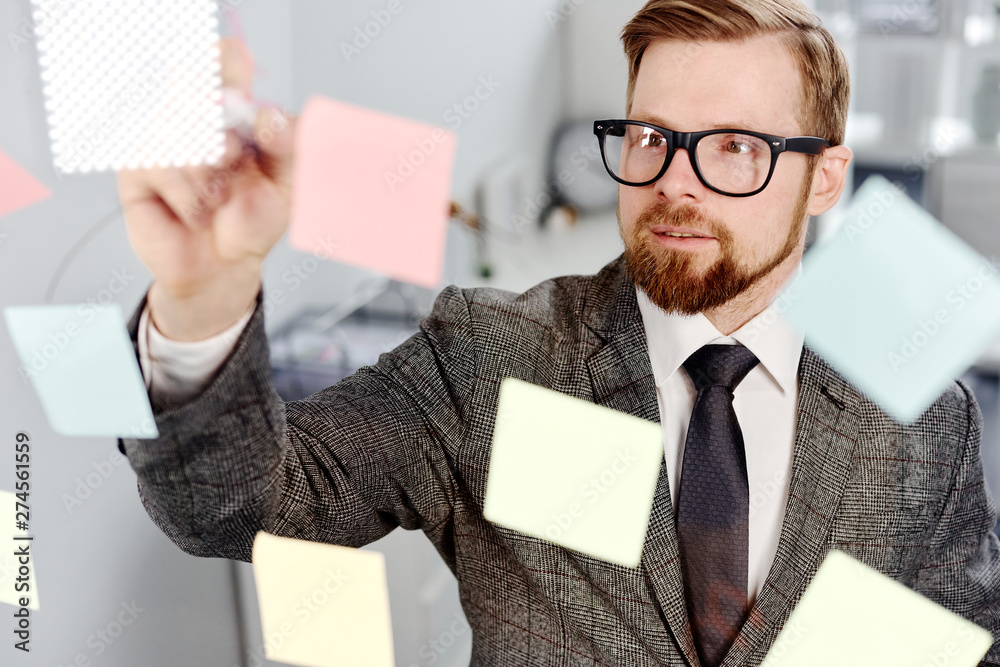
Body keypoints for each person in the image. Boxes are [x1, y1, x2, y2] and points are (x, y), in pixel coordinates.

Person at [116, 1, 1000, 665]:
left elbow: (964, 642)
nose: (675, 183)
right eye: (652, 135)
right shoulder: (489, 354)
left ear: (825, 177)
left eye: (735, 146)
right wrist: (205, 293)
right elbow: (239, 507)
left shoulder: (923, 416)